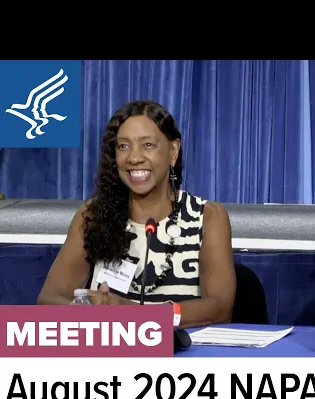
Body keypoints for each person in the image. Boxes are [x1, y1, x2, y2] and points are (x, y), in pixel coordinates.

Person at [37, 100, 237, 328]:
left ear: (173, 151)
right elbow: (48, 299)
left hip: (179, 349)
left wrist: (136, 315)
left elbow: (220, 308)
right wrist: (86, 311)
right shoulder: (94, 215)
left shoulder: (207, 217)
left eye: (148, 145)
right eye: (123, 146)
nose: (134, 157)